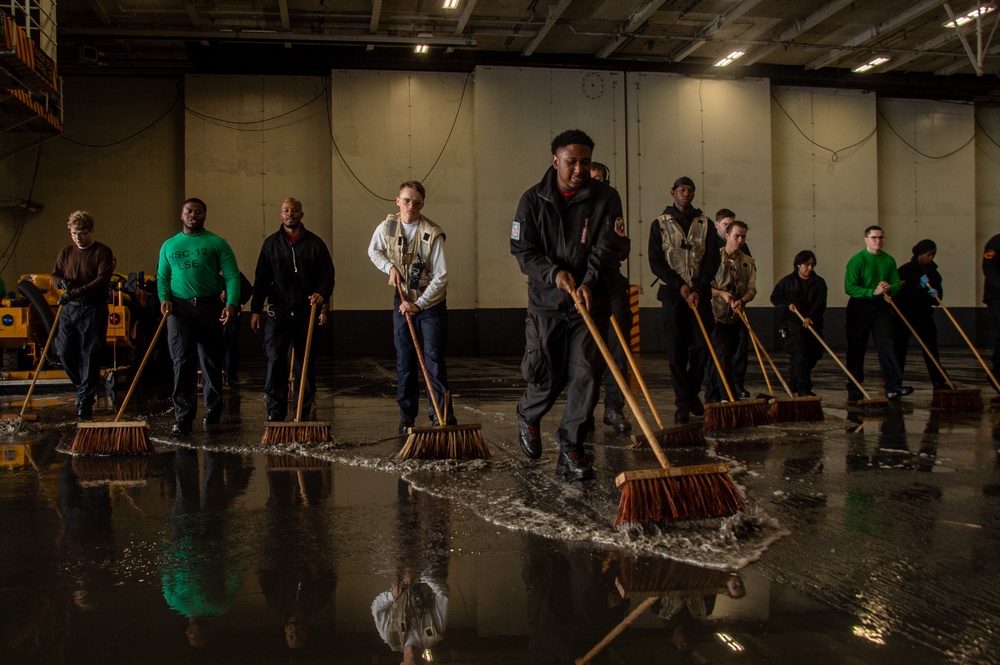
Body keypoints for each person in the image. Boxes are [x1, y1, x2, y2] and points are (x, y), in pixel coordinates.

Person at [510, 129, 621, 481]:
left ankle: (571, 446)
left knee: (586, 374)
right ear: (555, 160)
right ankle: (528, 414)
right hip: (546, 302)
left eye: (585, 162)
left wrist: (589, 279)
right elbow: (523, 251)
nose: (578, 169)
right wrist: (554, 273)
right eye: (571, 162)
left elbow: (609, 245)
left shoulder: (606, 197)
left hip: (589, 302)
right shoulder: (531, 201)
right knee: (547, 375)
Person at [368, 181, 454, 433]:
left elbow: (441, 277)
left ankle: (442, 416)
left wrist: (420, 304)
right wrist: (390, 267)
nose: (411, 206)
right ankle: (407, 417)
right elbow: (374, 251)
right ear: (397, 201)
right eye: (406, 200)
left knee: (433, 360)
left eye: (416, 202)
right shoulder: (388, 226)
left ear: (422, 204)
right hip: (402, 300)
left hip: (430, 304)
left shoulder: (432, 233)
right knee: (405, 360)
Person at [157, 198, 242, 435]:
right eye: (188, 211)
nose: (192, 215)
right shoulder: (169, 245)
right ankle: (183, 416)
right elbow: (162, 276)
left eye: (197, 211)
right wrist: (164, 297)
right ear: (181, 215)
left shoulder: (217, 243)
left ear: (204, 215)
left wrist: (232, 303)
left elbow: (233, 275)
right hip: (179, 308)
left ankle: (213, 408)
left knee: (211, 359)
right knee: (182, 360)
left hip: (210, 306)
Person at [251, 198, 335, 422]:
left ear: (301, 214)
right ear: (281, 215)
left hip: (306, 312)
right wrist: (255, 309)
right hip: (278, 312)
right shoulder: (270, 244)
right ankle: (275, 411)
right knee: (276, 359)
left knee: (305, 363)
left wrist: (322, 294)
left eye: (295, 210)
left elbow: (327, 276)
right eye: (286, 210)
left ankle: (304, 409)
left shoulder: (316, 244)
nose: (290, 214)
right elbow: (261, 279)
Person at [648, 176, 720, 424]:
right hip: (672, 296)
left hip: (700, 294)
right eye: (682, 189)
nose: (686, 193)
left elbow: (713, 259)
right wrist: (679, 286)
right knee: (676, 352)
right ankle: (683, 403)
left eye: (690, 190)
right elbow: (655, 261)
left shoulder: (705, 223)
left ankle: (690, 393)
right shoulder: (659, 224)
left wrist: (699, 288)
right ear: (673, 192)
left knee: (703, 347)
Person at [51, 210, 115, 420]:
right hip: (69, 310)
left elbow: (102, 280)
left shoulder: (102, 252)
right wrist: (62, 283)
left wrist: (77, 292)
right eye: (73, 233)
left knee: (90, 352)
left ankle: (85, 400)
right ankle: (85, 389)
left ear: (91, 231)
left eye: (81, 233)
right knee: (63, 351)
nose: (77, 237)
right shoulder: (66, 252)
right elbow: (55, 274)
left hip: (93, 308)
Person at [844, 225, 912, 402]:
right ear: (866, 239)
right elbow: (849, 287)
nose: (878, 241)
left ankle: (893, 385)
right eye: (874, 237)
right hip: (860, 306)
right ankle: (854, 385)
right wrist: (871, 292)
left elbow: (897, 284)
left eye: (881, 238)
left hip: (881, 307)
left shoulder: (889, 260)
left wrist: (890, 288)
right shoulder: (857, 260)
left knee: (887, 344)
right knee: (857, 347)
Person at [590, 161, 633, 434]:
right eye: (592, 179)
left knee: (620, 347)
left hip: (611, 280)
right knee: (587, 351)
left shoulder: (611, 202)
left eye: (601, 179)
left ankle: (614, 408)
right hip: (585, 285)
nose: (597, 184)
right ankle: (584, 410)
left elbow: (621, 243)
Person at [705, 220, 756, 402]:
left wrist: (742, 300)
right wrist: (721, 294)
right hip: (715, 316)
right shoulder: (713, 258)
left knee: (730, 356)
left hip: (735, 317)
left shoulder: (748, 263)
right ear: (727, 235)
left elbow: (751, 289)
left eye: (743, 237)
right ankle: (727, 396)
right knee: (722, 354)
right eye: (737, 236)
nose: (740, 240)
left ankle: (712, 396)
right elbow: (704, 286)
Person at [770, 250, 827, 397]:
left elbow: (820, 303)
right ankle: (804, 389)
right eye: (806, 265)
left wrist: (810, 317)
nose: (810, 268)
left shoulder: (819, 283)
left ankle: (795, 380)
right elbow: (775, 298)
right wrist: (787, 305)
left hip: (812, 324)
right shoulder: (787, 282)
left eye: (812, 265)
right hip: (793, 324)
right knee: (799, 354)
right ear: (798, 265)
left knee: (814, 354)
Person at [894, 239, 946, 388]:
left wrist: (934, 295)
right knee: (899, 350)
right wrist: (918, 287)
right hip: (904, 316)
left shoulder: (934, 273)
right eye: (929, 254)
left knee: (931, 349)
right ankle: (896, 382)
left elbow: (937, 300)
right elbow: (898, 296)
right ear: (920, 254)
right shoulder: (904, 271)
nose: (931, 258)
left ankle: (939, 380)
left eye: (933, 255)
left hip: (924, 316)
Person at [222, 271, 253, 387]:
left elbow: (249, 289)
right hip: (214, 314)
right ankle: (225, 376)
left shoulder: (233, 274)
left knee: (231, 345)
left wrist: (236, 302)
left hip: (231, 315)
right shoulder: (210, 273)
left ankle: (230, 376)